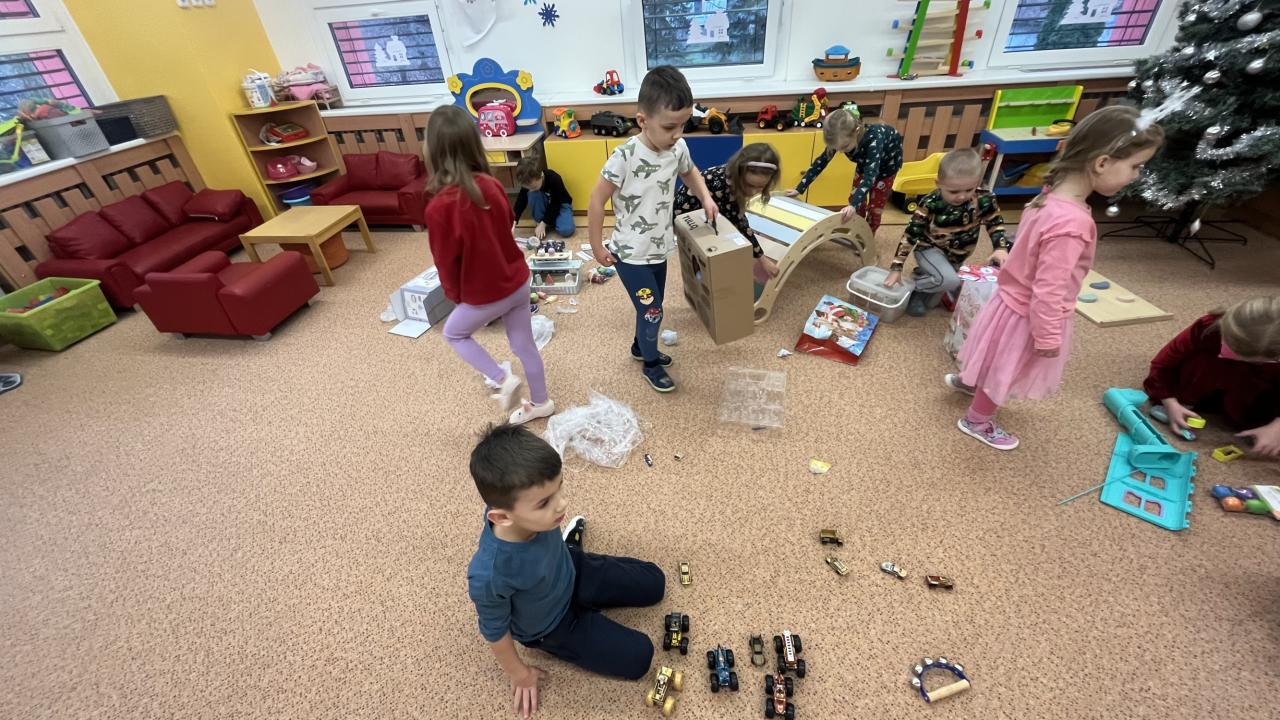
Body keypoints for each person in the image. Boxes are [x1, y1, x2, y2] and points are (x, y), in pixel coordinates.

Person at [944, 105, 1165, 450]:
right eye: (1136, 166)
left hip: (1008, 301)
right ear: (1102, 162)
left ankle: (969, 380)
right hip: (1028, 314)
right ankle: (977, 420)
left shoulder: (1048, 196)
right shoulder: (1071, 224)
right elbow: (1049, 289)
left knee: (994, 354)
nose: (1137, 175)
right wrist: (1047, 337)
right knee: (1006, 368)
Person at [467, 424, 665, 719]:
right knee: (640, 657)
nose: (562, 504)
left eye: (560, 486)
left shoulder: (533, 512)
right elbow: (495, 631)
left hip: (570, 569)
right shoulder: (488, 574)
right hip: (552, 627)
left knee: (655, 582)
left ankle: (572, 545)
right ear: (502, 518)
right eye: (544, 502)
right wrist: (519, 673)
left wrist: (548, 516)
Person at [587, 65, 718, 393]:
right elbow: (596, 200)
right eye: (670, 126)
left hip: (659, 248)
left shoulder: (678, 148)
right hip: (630, 255)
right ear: (642, 120)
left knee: (651, 305)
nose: (677, 133)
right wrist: (596, 246)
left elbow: (690, 172)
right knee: (652, 310)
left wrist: (705, 197)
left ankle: (639, 346)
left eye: (683, 124)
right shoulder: (625, 156)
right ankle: (650, 363)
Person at [423, 105, 554, 425]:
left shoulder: (439, 207)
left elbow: (445, 262)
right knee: (524, 345)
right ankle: (541, 403)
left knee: (454, 333)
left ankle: (502, 378)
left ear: (433, 151)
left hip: (484, 294)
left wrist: (457, 297)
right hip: (518, 282)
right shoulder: (492, 185)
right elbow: (508, 222)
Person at [1143, 296, 1280, 458]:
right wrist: (1170, 402)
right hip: (1206, 377)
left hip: (1260, 383)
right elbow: (1162, 365)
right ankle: (1188, 401)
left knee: (1251, 419)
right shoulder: (1209, 327)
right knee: (1201, 361)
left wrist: (1276, 427)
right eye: (1230, 349)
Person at [884, 148, 1010, 316]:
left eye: (969, 190)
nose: (961, 196)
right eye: (953, 191)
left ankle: (926, 275)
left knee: (932, 302)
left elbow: (995, 222)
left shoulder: (985, 198)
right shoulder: (930, 203)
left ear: (978, 182)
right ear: (938, 183)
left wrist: (1000, 247)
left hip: (958, 255)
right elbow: (910, 235)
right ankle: (913, 287)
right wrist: (896, 268)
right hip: (929, 249)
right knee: (950, 281)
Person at [674, 143, 783, 285]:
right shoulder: (724, 185)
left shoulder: (732, 178)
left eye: (760, 187)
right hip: (686, 215)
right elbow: (740, 224)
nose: (752, 192)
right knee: (708, 253)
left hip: (703, 210)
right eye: (749, 185)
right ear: (738, 174)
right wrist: (763, 259)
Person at [787, 103, 904, 235]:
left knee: (874, 208)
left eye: (845, 147)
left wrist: (853, 205)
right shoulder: (839, 139)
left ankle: (868, 235)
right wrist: (799, 189)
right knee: (855, 199)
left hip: (886, 169)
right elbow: (820, 163)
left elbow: (870, 177)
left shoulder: (874, 141)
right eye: (837, 148)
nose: (841, 151)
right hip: (865, 165)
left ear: (857, 131)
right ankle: (857, 228)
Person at [513, 156, 576, 240]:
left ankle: (547, 222)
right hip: (543, 205)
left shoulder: (554, 178)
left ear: (541, 175)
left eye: (534, 187)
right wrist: (514, 220)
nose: (531, 189)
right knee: (533, 194)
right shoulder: (529, 183)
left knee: (566, 230)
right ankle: (543, 221)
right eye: (528, 188)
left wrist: (544, 223)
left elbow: (555, 204)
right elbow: (521, 201)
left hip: (560, 204)